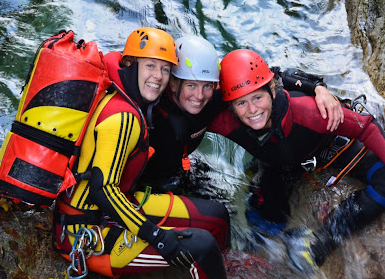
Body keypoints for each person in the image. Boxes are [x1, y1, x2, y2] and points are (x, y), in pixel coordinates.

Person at [52, 28, 277, 279]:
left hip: (116, 205)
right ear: (131, 64)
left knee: (217, 215)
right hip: (86, 234)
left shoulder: (131, 100)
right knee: (202, 245)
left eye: (164, 68)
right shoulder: (125, 117)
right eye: (150, 66)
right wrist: (157, 237)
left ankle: (219, 274)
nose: (158, 76)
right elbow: (102, 189)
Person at [209, 49, 385, 273]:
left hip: (328, 150)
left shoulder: (307, 111)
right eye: (241, 104)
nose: (252, 110)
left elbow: (367, 128)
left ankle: (318, 243)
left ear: (273, 93)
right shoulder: (225, 122)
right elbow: (193, 108)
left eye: (258, 97)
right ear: (231, 107)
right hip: (279, 167)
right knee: (264, 225)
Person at [132, 34, 344, 193]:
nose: (199, 96)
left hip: (180, 172)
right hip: (143, 182)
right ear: (174, 83)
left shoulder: (213, 98)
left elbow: (267, 76)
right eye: (190, 86)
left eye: (207, 86)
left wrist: (317, 87)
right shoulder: (152, 109)